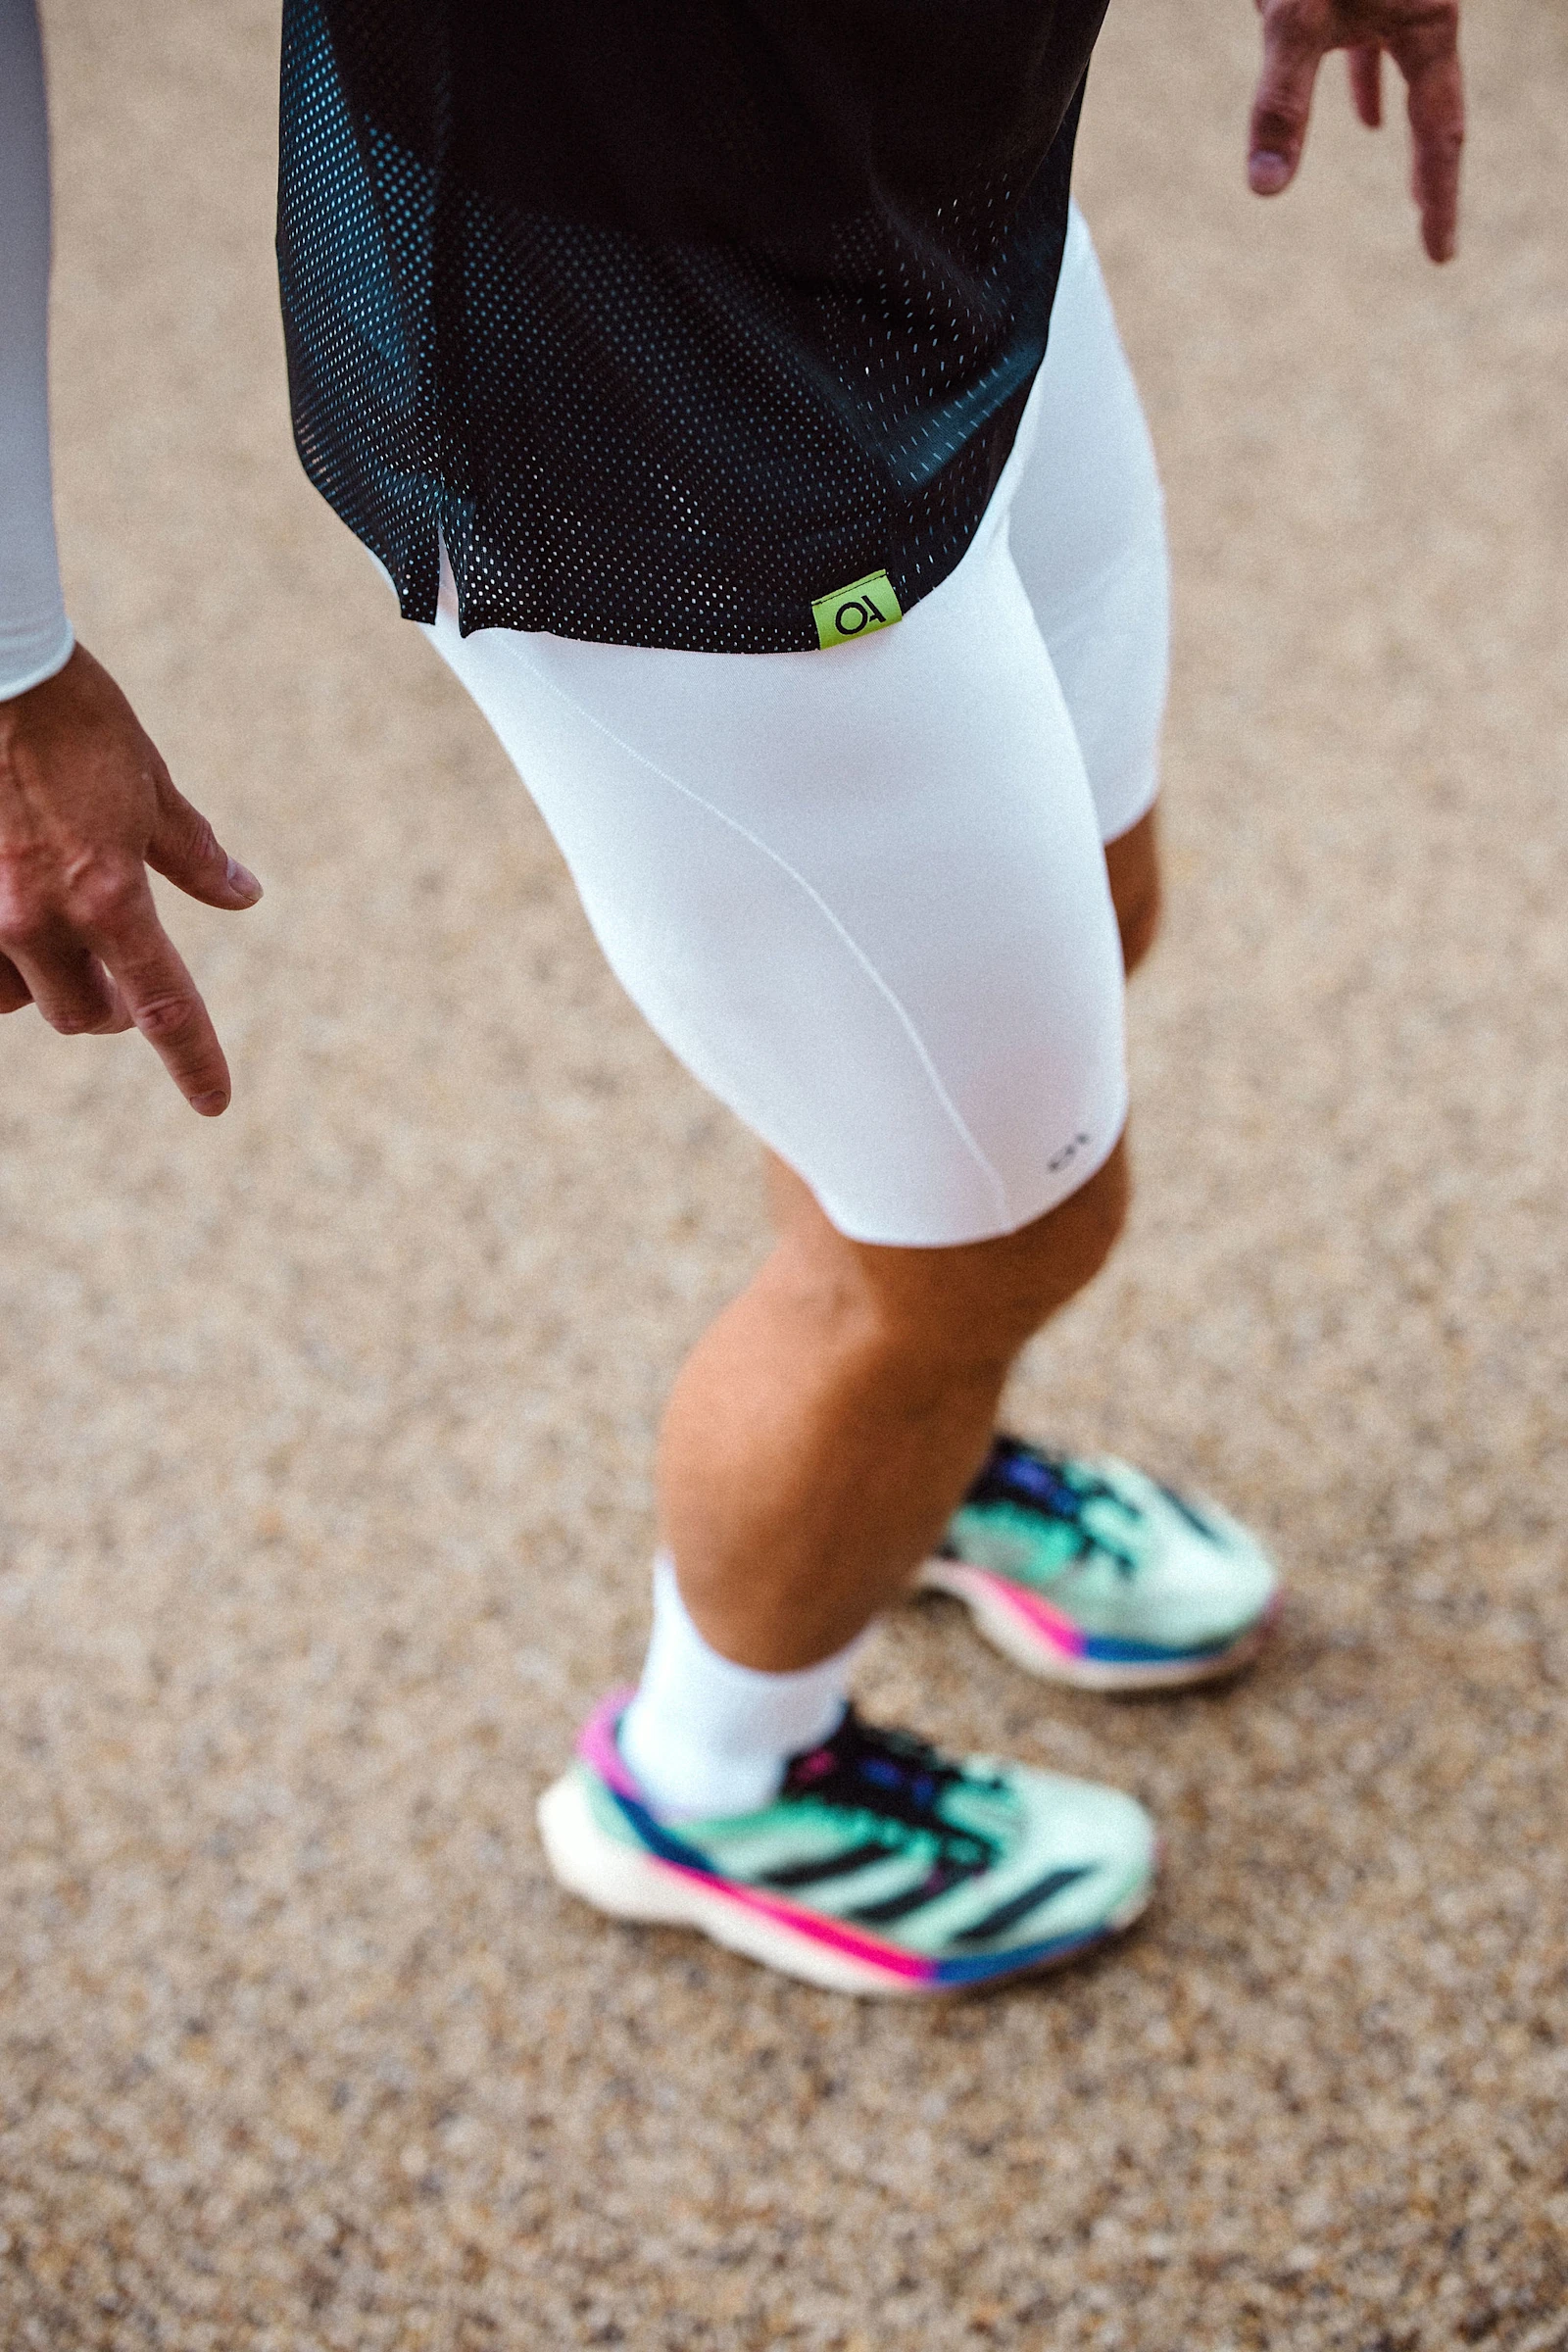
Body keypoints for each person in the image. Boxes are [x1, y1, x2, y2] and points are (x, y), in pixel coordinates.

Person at [0, 0, 1463, 1994]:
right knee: (996, 1234)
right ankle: (713, 1778)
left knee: (1081, 944)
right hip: (634, 391)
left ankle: (906, 1455)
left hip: (950, 202)